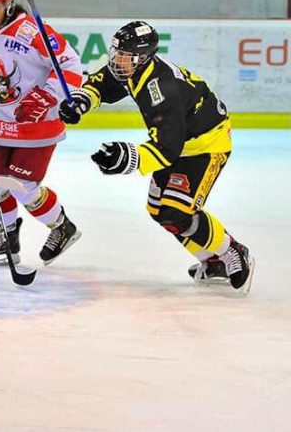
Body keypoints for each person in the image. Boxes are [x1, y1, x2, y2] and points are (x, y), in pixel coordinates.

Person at [59, 20, 255, 293]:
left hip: (205, 145)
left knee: (176, 213)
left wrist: (127, 157)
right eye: (116, 53)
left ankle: (231, 250)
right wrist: (82, 100)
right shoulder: (133, 69)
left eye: (124, 56)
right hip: (178, 142)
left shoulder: (163, 90)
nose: (116, 60)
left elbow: (167, 149)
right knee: (158, 211)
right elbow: (103, 84)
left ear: (142, 58)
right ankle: (212, 261)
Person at [0, 0, 83, 266]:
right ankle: (7, 239)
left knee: (23, 188)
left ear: (8, 3)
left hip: (37, 126)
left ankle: (62, 227)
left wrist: (47, 95)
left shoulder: (31, 31)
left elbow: (70, 63)